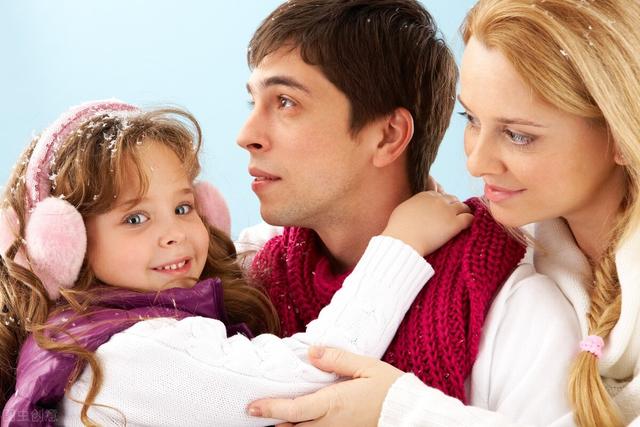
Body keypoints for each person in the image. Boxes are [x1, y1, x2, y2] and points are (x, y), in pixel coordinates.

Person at [248, 0, 640, 426]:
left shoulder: (519, 302)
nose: (475, 163)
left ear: (620, 134)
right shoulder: (528, 249)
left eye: (518, 135)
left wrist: (398, 411)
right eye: (470, 118)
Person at [0, 100, 470, 426]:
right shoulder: (126, 355)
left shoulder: (97, 330)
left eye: (184, 207)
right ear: (65, 243)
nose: (174, 232)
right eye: (135, 218)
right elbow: (308, 371)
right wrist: (400, 245)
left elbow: (257, 250)